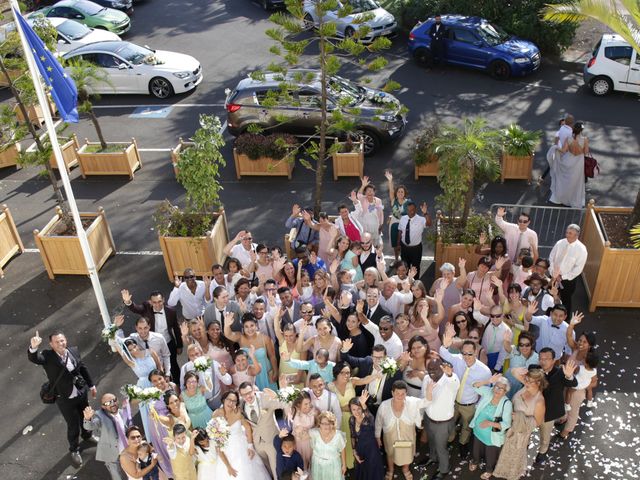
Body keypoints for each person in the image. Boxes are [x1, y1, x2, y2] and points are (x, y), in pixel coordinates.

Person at [28, 330, 97, 467]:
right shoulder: (47, 356)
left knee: (86, 417)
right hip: (65, 398)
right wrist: (33, 348)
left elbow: (82, 368)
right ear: (51, 344)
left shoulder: (73, 350)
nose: (61, 343)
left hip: (81, 393)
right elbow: (35, 359)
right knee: (72, 425)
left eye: (62, 340)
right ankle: (74, 449)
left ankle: (87, 435)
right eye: (57, 342)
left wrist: (91, 385)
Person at [439, 327, 492, 459]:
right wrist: (446, 344)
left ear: (476, 352)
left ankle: (463, 444)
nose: (466, 357)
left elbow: (487, 391)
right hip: (454, 402)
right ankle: (450, 440)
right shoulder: (457, 359)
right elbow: (443, 353)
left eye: (470, 354)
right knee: (450, 423)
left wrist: (477, 406)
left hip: (469, 405)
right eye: (464, 353)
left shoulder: (484, 371)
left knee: (467, 427)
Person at [492, 368, 546, 480]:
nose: (526, 382)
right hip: (508, 423)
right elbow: (514, 372)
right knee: (502, 449)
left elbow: (538, 422)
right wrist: (523, 371)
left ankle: (511, 474)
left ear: (538, 383)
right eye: (526, 379)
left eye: (530, 381)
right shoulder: (526, 385)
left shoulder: (539, 401)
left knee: (514, 455)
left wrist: (518, 417)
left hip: (520, 432)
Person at [329, 361, 382, 470]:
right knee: (340, 442)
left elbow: (364, 380)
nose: (346, 375)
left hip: (354, 418)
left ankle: (354, 464)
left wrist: (376, 376)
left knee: (354, 441)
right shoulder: (329, 386)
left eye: (348, 372)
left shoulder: (352, 382)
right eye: (343, 373)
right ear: (336, 373)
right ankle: (342, 465)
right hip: (338, 419)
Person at [121, 289, 183, 382]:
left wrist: (179, 345)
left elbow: (176, 329)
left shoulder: (171, 311)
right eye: (154, 302)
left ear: (163, 300)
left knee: (173, 365)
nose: (157, 305)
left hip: (168, 342)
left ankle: (178, 384)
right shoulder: (146, 307)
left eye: (159, 301)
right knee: (153, 367)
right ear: (150, 302)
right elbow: (135, 308)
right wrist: (127, 301)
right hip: (151, 342)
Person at [375, 380, 429, 480]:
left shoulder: (411, 402)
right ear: (392, 393)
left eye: (402, 394)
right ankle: (390, 470)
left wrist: (429, 390)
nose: (400, 396)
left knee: (407, 452)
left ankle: (406, 469)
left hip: (407, 435)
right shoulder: (384, 406)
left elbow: (426, 402)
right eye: (397, 393)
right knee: (390, 453)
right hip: (390, 435)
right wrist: (378, 436)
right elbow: (378, 422)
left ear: (406, 393)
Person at [214, 390, 272, 480]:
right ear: (223, 400)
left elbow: (248, 428)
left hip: (242, 447)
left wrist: (250, 446)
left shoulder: (238, 413)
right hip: (226, 450)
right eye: (229, 399)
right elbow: (217, 443)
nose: (231, 403)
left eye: (234, 401)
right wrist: (228, 467)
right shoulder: (216, 414)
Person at [534, 348, 578, 465]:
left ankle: (542, 452)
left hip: (550, 412)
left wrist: (569, 376)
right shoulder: (534, 369)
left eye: (547, 359)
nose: (543, 362)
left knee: (545, 435)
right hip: (533, 410)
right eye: (541, 359)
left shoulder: (560, 373)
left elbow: (573, 383)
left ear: (553, 360)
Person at [115, 338, 162, 439]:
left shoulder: (150, 351)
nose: (134, 350)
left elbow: (159, 365)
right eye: (130, 350)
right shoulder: (131, 361)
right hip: (144, 387)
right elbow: (121, 351)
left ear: (138, 345)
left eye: (134, 347)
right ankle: (154, 437)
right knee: (149, 412)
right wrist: (113, 337)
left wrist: (162, 379)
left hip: (157, 381)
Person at [421, 359, 460, 480]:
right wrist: (422, 416)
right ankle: (433, 458)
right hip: (429, 418)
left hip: (443, 423)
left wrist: (449, 374)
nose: (431, 371)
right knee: (432, 443)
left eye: (435, 368)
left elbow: (455, 384)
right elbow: (423, 396)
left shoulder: (450, 381)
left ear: (442, 368)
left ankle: (444, 469)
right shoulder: (427, 378)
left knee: (441, 448)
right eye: (429, 369)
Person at [468, 375, 513, 480]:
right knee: (476, 449)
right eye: (496, 386)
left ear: (505, 391)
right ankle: (475, 461)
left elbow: (507, 424)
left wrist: (489, 423)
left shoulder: (507, 404)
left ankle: (489, 470)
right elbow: (474, 386)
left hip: (492, 436)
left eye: (501, 388)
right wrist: (487, 381)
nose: (497, 390)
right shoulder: (489, 392)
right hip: (478, 430)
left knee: (491, 455)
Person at [238, 381, 286, 478]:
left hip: (272, 440)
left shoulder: (265, 397)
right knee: (267, 470)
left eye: (249, 393)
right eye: (244, 395)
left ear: (253, 390)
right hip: (257, 444)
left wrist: (281, 392)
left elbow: (282, 404)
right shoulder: (241, 405)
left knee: (276, 470)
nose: (247, 397)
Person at [224, 312, 278, 390]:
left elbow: (272, 356)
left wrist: (275, 371)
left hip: (264, 373)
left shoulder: (265, 338)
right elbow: (228, 334)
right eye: (246, 327)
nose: (249, 329)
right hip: (248, 374)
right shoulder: (240, 337)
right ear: (243, 328)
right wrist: (227, 325)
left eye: (252, 325)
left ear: (256, 325)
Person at [83, 394, 131, 480]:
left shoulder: (122, 412)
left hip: (126, 449)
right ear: (103, 406)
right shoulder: (100, 416)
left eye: (114, 400)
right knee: (117, 476)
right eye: (108, 403)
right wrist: (87, 419)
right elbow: (90, 426)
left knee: (131, 471)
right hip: (112, 453)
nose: (112, 404)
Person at [114, 316, 171, 380]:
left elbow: (166, 356)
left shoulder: (159, 338)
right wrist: (115, 327)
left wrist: (167, 374)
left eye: (145, 328)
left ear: (149, 326)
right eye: (140, 328)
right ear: (136, 328)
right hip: (144, 375)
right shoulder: (133, 337)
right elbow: (120, 342)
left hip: (161, 373)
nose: (143, 331)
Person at [549, 224, 588, 315]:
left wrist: (562, 277)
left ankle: (565, 319)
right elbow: (551, 257)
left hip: (568, 281)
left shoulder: (581, 249)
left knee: (565, 299)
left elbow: (578, 268)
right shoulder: (560, 243)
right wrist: (552, 272)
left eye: (570, 233)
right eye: (567, 232)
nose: (567, 235)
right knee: (551, 296)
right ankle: (550, 314)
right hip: (553, 276)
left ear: (576, 235)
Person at [551, 122, 589, 208]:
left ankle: (562, 197)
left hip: (568, 160)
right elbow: (586, 152)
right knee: (576, 181)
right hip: (579, 162)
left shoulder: (568, 138)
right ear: (581, 130)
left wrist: (556, 148)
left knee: (565, 179)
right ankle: (573, 198)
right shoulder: (585, 139)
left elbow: (563, 151)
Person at [349, 393, 384, 480]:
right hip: (360, 450)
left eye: (359, 409)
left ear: (362, 408)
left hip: (372, 451)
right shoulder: (351, 420)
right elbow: (353, 436)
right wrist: (354, 451)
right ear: (350, 410)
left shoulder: (368, 419)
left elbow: (369, 416)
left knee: (372, 473)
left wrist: (363, 404)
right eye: (353, 409)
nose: (356, 412)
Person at [284, 390, 317, 469]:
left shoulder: (313, 411)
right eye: (305, 404)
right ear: (299, 404)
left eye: (309, 403)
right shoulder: (295, 415)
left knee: (313, 466)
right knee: (302, 467)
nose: (308, 406)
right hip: (300, 445)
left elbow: (316, 424)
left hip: (312, 443)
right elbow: (302, 435)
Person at [309, 411, 347, 480]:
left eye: (330, 423)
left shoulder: (338, 436)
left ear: (333, 424)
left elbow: (342, 449)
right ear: (319, 424)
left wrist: (344, 465)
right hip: (318, 465)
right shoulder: (314, 433)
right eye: (324, 423)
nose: (327, 426)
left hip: (334, 465)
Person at [397, 201, 431, 278]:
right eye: (408, 210)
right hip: (404, 248)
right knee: (405, 267)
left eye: (412, 210)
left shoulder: (421, 219)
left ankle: (415, 283)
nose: (410, 212)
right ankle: (406, 282)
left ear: (415, 210)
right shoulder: (403, 218)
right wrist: (398, 244)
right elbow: (400, 231)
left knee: (415, 267)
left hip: (416, 249)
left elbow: (429, 224)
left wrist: (425, 213)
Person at [384, 170, 412, 260]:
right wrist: (390, 180)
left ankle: (404, 259)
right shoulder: (394, 201)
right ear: (396, 193)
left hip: (404, 224)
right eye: (399, 192)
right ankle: (396, 259)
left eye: (402, 192)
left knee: (404, 243)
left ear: (405, 193)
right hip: (394, 223)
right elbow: (391, 190)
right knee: (395, 243)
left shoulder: (408, 202)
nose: (400, 193)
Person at [429, 260, 467, 325]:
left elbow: (463, 278)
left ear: (453, 273)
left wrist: (462, 268)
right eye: (444, 274)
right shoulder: (438, 281)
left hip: (452, 316)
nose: (446, 276)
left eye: (448, 274)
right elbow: (431, 292)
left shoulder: (457, 282)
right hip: (439, 315)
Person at [502, 331, 539, 399]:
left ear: (532, 344)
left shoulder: (537, 358)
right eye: (521, 345)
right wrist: (505, 341)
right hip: (508, 386)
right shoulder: (514, 350)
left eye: (527, 345)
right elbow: (507, 347)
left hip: (523, 390)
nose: (524, 347)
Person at [480, 305, 512, 372]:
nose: (494, 318)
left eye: (498, 316)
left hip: (495, 358)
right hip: (483, 355)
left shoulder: (507, 331)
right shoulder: (488, 321)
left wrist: (497, 368)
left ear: (502, 315)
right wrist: (477, 308)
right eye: (492, 316)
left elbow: (503, 352)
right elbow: (476, 315)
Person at [355, 177, 385, 245]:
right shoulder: (363, 199)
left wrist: (381, 224)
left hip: (375, 225)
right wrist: (363, 185)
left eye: (371, 191)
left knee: (374, 243)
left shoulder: (378, 200)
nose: (369, 192)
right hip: (364, 225)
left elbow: (381, 213)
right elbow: (358, 195)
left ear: (374, 192)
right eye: (368, 191)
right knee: (365, 242)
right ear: (365, 192)